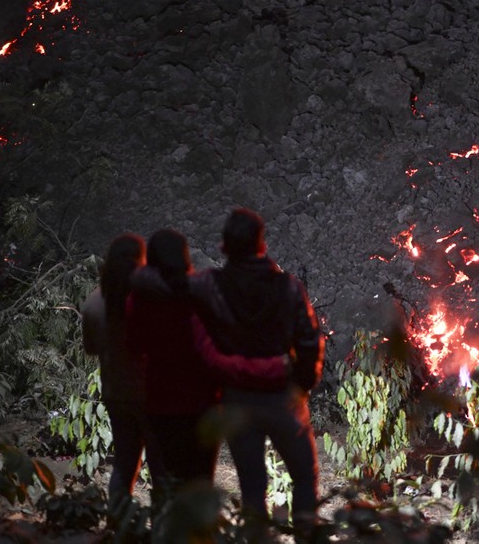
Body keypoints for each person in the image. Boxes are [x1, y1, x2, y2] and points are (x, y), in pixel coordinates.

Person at [190, 208, 325, 538]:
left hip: (236, 399)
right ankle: (307, 537)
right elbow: (309, 341)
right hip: (282, 397)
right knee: (305, 479)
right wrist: (302, 386)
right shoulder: (287, 287)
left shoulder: (210, 286)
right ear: (261, 245)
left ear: (224, 247)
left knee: (252, 489)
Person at [127, 228, 288, 495]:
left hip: (157, 402)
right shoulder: (196, 298)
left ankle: (164, 532)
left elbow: (133, 346)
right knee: (198, 485)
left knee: (163, 483)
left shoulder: (139, 299)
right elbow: (213, 355)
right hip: (198, 406)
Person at [80, 233, 164, 509]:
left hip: (116, 393)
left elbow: (91, 348)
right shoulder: (153, 299)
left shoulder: (94, 302)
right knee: (162, 470)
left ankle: (118, 526)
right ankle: (163, 531)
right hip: (153, 397)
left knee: (125, 464)